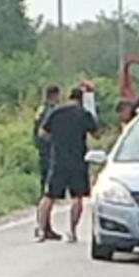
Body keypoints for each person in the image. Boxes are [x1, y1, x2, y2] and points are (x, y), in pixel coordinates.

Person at [38, 85, 101, 243]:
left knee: (48, 196)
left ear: (69, 97)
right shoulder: (84, 114)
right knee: (77, 197)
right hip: (77, 161)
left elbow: (43, 133)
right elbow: (97, 134)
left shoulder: (57, 112)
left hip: (58, 159)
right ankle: (72, 231)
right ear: (81, 100)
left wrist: (56, 142)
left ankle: (41, 230)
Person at [31, 85, 61, 240]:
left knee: (45, 191)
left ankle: (45, 226)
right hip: (48, 154)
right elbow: (43, 133)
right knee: (47, 193)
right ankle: (43, 226)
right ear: (54, 95)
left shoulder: (41, 109)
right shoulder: (50, 111)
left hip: (43, 153)